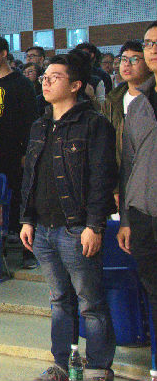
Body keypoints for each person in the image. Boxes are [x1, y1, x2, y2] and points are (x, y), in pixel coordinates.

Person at [20, 52, 116, 381]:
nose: (45, 82)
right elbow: (30, 177)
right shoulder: (40, 124)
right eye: (44, 77)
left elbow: (102, 179)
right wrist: (27, 219)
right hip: (43, 228)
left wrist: (94, 225)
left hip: (77, 228)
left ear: (75, 85)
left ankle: (99, 366)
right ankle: (63, 364)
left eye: (55, 77)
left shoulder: (93, 124)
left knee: (90, 302)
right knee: (59, 300)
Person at [0, 35, 38, 269]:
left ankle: (27, 252)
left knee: (21, 200)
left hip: (15, 152)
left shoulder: (21, 83)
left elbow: (30, 121)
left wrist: (26, 152)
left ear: (4, 53)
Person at [117, 21, 157, 344]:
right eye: (148, 43)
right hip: (144, 212)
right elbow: (128, 164)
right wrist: (127, 220)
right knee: (153, 290)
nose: (152, 49)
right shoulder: (139, 105)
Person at [102, 41, 148, 171]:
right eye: (124, 59)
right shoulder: (112, 100)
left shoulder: (151, 98)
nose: (127, 64)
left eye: (134, 59)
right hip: (122, 171)